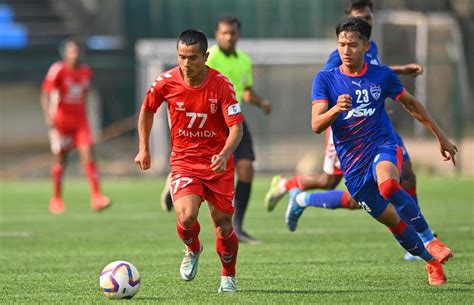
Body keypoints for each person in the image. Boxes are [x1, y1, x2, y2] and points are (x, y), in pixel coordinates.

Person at [291, 17, 457, 285]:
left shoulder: (382, 76)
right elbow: (316, 125)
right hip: (353, 168)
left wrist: (441, 137)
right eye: (341, 44)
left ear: (367, 46)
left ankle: (432, 240)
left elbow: (412, 104)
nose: (346, 51)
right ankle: (431, 261)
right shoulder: (325, 79)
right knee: (394, 222)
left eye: (353, 45)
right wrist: (335, 109)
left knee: (390, 185)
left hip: (383, 145)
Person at [264, 1, 429, 259]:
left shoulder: (370, 45)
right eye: (360, 17)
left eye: (369, 17)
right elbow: (338, 81)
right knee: (336, 185)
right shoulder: (337, 56)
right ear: (349, 21)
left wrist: (397, 73)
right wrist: (342, 109)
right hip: (345, 132)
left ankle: (419, 236)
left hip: (373, 132)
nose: (366, 21)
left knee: (401, 177)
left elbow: (369, 74)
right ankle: (295, 193)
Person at [134, 29, 244, 293]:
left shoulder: (222, 85)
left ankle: (228, 276)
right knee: (186, 216)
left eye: (193, 57)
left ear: (205, 57)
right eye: (182, 56)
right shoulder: (166, 82)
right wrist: (143, 148)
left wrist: (225, 154)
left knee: (223, 224)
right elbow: (147, 110)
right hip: (184, 162)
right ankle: (193, 248)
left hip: (218, 163)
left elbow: (236, 128)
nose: (186, 63)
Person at [161, 16, 272, 244]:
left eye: (232, 33)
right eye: (224, 33)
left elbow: (246, 91)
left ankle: (238, 226)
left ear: (238, 35)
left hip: (233, 121)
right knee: (205, 171)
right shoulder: (205, 56)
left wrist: (261, 103)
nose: (228, 37)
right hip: (207, 122)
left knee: (247, 169)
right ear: (217, 34)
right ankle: (178, 178)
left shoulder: (244, 60)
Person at [40, 39, 111, 214]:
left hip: (80, 122)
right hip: (61, 123)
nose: (75, 54)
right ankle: (56, 198)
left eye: (77, 51)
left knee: (88, 155)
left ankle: (97, 197)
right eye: (72, 51)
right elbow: (45, 94)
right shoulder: (58, 70)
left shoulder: (86, 72)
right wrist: (48, 116)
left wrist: (87, 118)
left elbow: (84, 96)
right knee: (60, 160)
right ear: (65, 53)